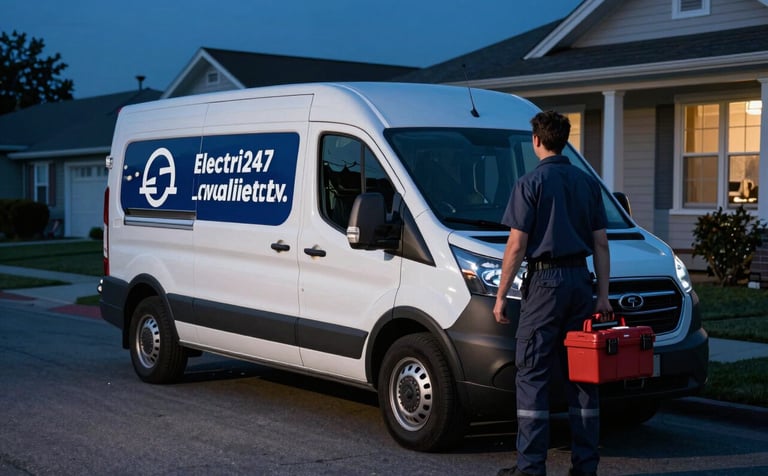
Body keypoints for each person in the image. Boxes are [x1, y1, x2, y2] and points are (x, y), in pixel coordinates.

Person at [493, 111, 612, 476]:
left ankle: (531, 469)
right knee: (583, 376)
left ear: (536, 141)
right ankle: (585, 468)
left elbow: (516, 246)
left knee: (532, 375)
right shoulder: (588, 184)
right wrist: (603, 296)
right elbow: (601, 244)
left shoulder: (530, 184)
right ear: (565, 139)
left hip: (544, 286)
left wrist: (500, 296)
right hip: (581, 282)